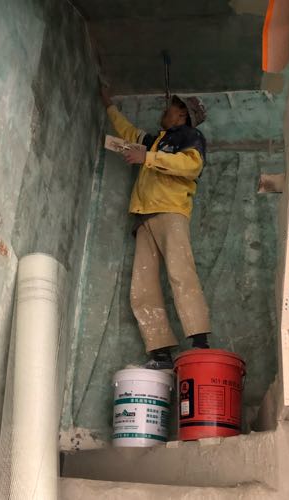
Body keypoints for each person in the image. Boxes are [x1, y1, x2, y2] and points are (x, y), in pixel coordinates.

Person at [101, 86, 211, 370]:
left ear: (182, 114)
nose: (165, 110)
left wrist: (147, 158)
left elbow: (191, 167)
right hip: (144, 217)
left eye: (171, 107)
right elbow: (129, 133)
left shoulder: (190, 136)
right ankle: (160, 351)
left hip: (171, 211)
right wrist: (109, 105)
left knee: (180, 273)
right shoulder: (155, 140)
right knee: (142, 285)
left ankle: (199, 342)